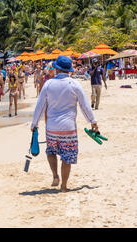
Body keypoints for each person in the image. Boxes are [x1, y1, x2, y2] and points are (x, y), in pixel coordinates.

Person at [31, 56, 99, 193]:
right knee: (67, 157)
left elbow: (40, 106)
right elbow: (85, 106)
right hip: (68, 128)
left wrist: (34, 124)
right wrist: (93, 122)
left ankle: (55, 176)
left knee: (51, 151)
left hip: (51, 128)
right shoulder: (74, 84)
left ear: (56, 69)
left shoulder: (48, 84)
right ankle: (64, 186)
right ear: (69, 70)